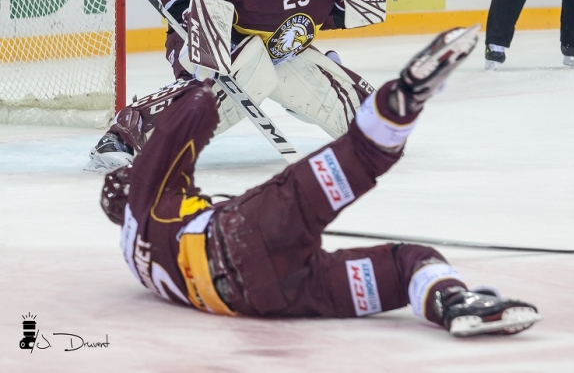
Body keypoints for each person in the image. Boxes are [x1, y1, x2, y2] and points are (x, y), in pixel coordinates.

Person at [98, 26, 540, 337]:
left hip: (270, 297)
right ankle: (401, 99)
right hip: (245, 231)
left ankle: (454, 305)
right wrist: (216, 75)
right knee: (360, 156)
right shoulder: (145, 197)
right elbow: (194, 108)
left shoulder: (135, 256)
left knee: (407, 264)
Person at [87, 0, 400, 171]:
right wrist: (191, 15)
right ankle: (122, 138)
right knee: (248, 71)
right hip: (213, 47)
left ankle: (372, 129)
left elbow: (329, 15)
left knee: (348, 108)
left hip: (280, 54)